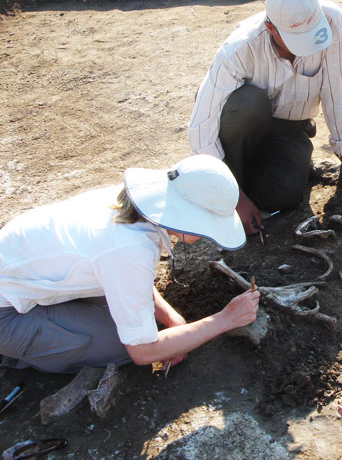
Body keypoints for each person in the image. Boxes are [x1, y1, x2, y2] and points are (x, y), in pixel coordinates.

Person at [0, 155, 260, 374]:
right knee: (118, 345)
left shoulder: (131, 207)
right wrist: (225, 319)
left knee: (141, 325)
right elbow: (143, 351)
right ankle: (19, 353)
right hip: (8, 313)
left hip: (27, 280)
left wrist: (171, 318)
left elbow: (128, 273)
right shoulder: (129, 248)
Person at [187, 0, 342, 235]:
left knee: (287, 193)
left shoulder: (333, 21)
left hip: (288, 127)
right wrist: (233, 199)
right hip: (240, 126)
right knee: (249, 104)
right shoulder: (239, 49)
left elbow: (341, 84)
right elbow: (201, 129)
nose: (306, 47)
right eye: (296, 38)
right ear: (270, 28)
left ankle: (242, 181)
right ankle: (223, 185)